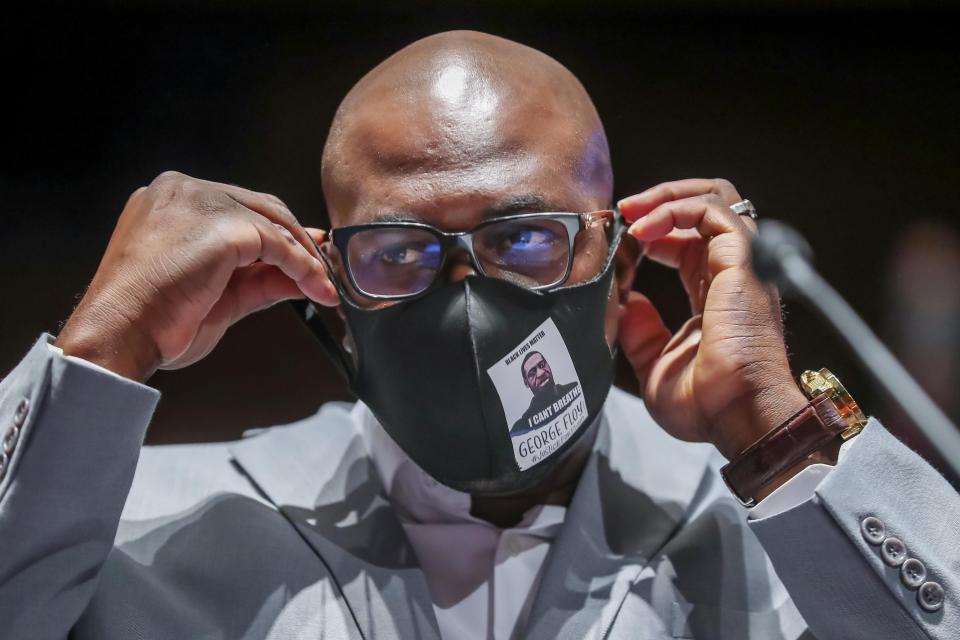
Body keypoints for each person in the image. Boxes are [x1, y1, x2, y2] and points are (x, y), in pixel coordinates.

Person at [0, 30, 957, 640]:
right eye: (399, 251)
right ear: (329, 285)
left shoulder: (784, 532)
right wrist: (98, 352)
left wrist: (777, 436)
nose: (467, 299)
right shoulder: (140, 525)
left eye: (527, 237)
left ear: (623, 264)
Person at [510, 352, 580, 437]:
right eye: (532, 373)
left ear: (548, 365)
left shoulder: (574, 388)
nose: (540, 373)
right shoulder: (521, 427)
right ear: (526, 383)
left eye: (542, 365)